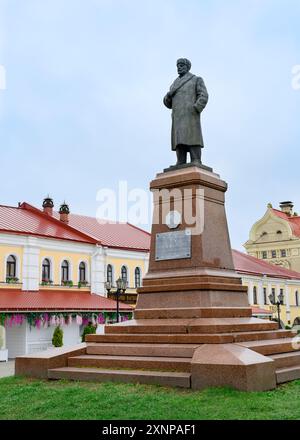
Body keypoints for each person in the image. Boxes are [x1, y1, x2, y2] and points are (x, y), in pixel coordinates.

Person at [163, 58, 208, 165]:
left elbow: (203, 95)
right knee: (179, 139)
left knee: (193, 136)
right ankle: (180, 160)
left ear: (187, 67)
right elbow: (168, 104)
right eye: (178, 66)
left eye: (182, 65)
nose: (179, 67)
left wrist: (196, 108)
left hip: (190, 114)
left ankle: (196, 159)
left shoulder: (196, 79)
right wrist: (168, 96)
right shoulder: (174, 84)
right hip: (177, 116)